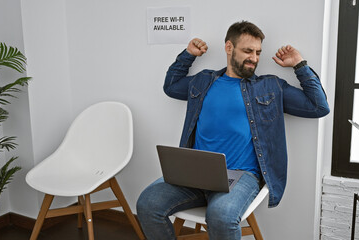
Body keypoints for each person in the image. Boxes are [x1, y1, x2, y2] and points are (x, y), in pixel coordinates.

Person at [136, 21, 330, 240]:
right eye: (248, 51)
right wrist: (188, 55)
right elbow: (171, 87)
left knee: (221, 215)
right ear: (229, 47)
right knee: (147, 203)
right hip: (195, 173)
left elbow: (318, 107)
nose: (255, 58)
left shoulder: (270, 86)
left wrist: (299, 65)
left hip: (241, 176)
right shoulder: (204, 81)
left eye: (258, 52)